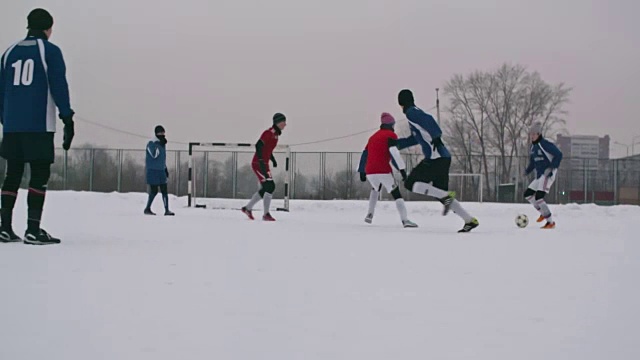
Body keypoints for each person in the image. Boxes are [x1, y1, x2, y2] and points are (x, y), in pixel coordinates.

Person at [0, 9, 75, 245]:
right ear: (48, 28)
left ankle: (4, 227)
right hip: (39, 125)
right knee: (39, 175)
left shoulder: (8, 53)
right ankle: (33, 229)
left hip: (12, 126)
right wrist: (67, 117)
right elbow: (58, 85)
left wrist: (6, 120)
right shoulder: (49, 51)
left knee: (12, 174)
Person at [396, 89, 479, 233]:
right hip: (443, 158)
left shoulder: (411, 112)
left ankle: (446, 196)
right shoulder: (414, 115)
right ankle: (469, 220)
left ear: (401, 103)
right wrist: (398, 144)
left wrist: (436, 135)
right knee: (442, 195)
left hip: (436, 158)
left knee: (410, 183)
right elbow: (416, 138)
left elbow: (429, 119)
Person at [357, 112, 417, 228]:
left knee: (375, 189)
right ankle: (405, 220)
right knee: (396, 193)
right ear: (391, 124)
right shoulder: (391, 136)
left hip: (370, 171)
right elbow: (394, 154)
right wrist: (402, 171)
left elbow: (365, 153)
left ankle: (369, 214)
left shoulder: (372, 137)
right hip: (383, 170)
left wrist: (361, 170)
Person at [241, 113, 286, 221]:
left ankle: (248, 208)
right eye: (283, 122)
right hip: (258, 164)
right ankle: (265, 214)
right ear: (278, 122)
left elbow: (267, 149)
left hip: (264, 164)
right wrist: (261, 161)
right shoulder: (269, 133)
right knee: (270, 186)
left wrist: (273, 159)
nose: (285, 124)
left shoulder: (276, 135)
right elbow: (259, 145)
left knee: (267, 187)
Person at [524, 122, 563, 229]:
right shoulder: (533, 147)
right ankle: (543, 212)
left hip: (547, 174)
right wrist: (527, 170)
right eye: (530, 134)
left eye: (534, 134)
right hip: (540, 175)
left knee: (539, 197)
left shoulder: (544, 144)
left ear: (539, 134)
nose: (531, 136)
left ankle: (550, 222)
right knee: (528, 194)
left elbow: (559, 154)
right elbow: (533, 162)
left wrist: (551, 167)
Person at [144, 125, 174, 216]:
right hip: (153, 170)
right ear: (156, 133)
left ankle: (167, 210)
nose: (162, 134)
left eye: (163, 133)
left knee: (164, 190)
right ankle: (147, 208)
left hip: (161, 170)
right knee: (154, 191)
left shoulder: (162, 144)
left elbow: (162, 158)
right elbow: (154, 155)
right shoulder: (152, 143)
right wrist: (158, 145)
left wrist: (165, 168)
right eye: (160, 133)